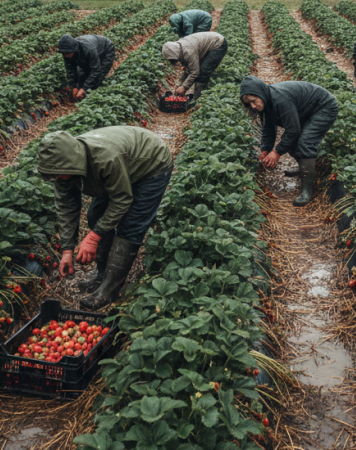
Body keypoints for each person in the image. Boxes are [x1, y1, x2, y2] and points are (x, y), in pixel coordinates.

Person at [37, 126, 173, 310]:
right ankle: (101, 274)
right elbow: (66, 208)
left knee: (131, 226)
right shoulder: (63, 170)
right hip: (120, 168)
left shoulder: (106, 159)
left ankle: (109, 290)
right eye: (55, 174)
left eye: (61, 172)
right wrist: (67, 250)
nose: (59, 177)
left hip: (150, 165)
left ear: (72, 161)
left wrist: (94, 237)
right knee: (96, 214)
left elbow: (122, 199)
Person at [239, 76, 338, 207]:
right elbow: (268, 128)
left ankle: (307, 191)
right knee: (290, 144)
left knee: (305, 143)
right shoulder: (266, 102)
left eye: (254, 100)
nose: (253, 106)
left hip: (324, 107)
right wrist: (265, 150)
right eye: (249, 104)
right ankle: (304, 168)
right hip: (306, 110)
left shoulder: (280, 100)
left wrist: (277, 152)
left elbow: (293, 131)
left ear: (260, 93)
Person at [161, 32, 228, 102]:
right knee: (197, 68)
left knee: (203, 71)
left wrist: (184, 87)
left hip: (218, 44)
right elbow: (189, 69)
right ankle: (193, 93)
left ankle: (197, 98)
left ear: (174, 54)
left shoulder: (189, 52)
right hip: (210, 42)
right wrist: (181, 85)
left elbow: (195, 72)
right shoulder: (179, 48)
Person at [58, 34, 116, 100]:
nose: (67, 55)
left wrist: (84, 88)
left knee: (98, 77)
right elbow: (70, 70)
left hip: (106, 50)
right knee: (83, 77)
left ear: (74, 49)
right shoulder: (68, 52)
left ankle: (95, 97)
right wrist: (74, 87)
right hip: (93, 50)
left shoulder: (89, 50)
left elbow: (95, 70)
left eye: (69, 53)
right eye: (65, 54)